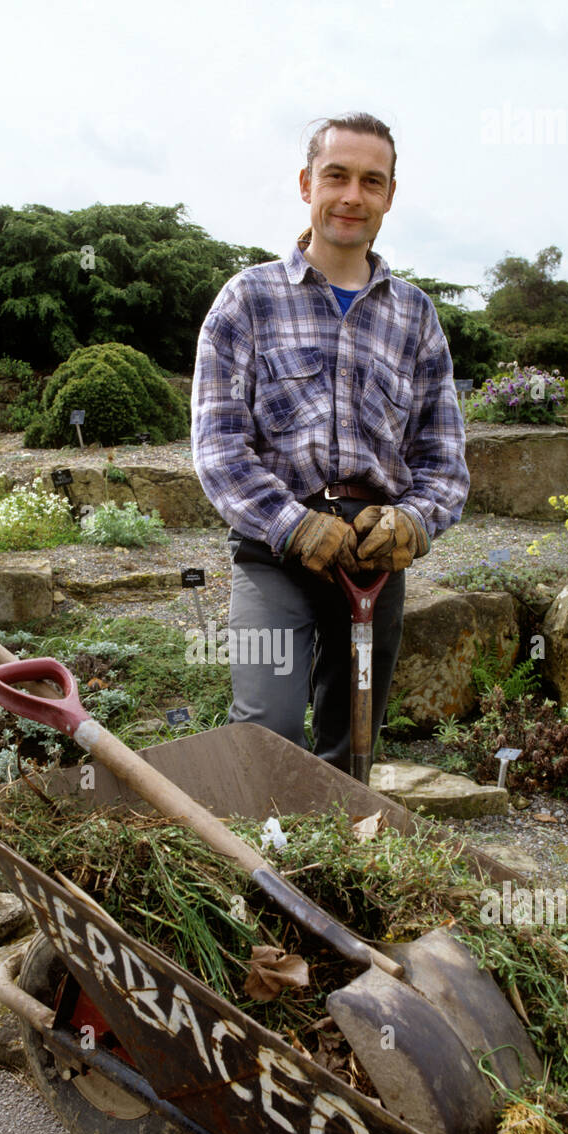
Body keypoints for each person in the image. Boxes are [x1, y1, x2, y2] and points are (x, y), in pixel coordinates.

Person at [191, 112, 469, 773]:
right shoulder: (247, 301)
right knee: (269, 728)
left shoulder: (415, 316)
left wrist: (414, 521)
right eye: (336, 176)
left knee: (356, 740)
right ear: (305, 184)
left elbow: (444, 461)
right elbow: (219, 447)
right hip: (273, 550)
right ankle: (263, 864)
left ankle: (335, 866)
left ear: (390, 196)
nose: (352, 196)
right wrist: (294, 526)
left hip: (376, 550)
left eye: (372, 181)